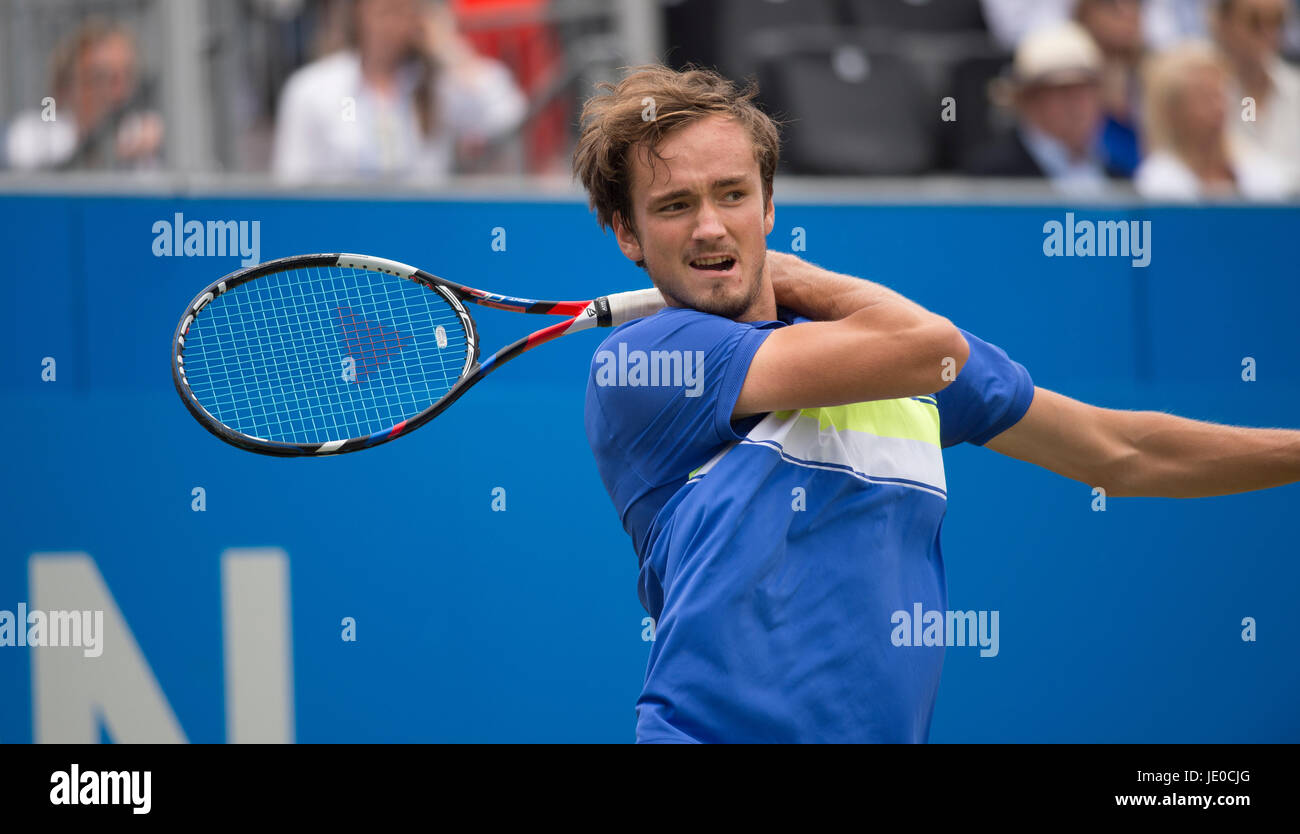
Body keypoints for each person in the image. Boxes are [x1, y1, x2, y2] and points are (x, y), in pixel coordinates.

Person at [574, 64, 1300, 743]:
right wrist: (801, 275)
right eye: (674, 206)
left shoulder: (887, 358)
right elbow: (927, 348)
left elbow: (1126, 453)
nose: (709, 227)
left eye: (732, 194)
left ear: (769, 205)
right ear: (627, 234)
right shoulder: (645, 362)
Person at [272, 0, 526, 182]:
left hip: (420, 232)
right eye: (384, 10)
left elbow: (507, 114)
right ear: (359, 12)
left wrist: (448, 48)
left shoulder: (440, 85)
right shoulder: (313, 88)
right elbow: (291, 180)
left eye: (404, 11)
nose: (391, 24)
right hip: (339, 237)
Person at [965, 22, 1127, 194]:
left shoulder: (1119, 171)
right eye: (1064, 92)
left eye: (1088, 91)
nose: (1079, 105)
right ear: (1029, 101)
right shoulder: (990, 177)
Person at [1135, 41, 1291, 199]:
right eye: (1203, 98)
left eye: (1219, 94)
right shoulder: (1158, 182)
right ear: (1173, 112)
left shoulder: (1261, 170)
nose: (1218, 107)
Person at [6, 19, 164, 171]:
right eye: (100, 78)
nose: (119, 93)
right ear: (65, 87)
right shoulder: (35, 136)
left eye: (128, 76)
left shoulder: (145, 142)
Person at [1212, 0, 1300, 193]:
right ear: (1222, 23)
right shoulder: (1202, 95)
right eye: (1255, 22)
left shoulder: (1296, 89)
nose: (1269, 33)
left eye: (1278, 22)